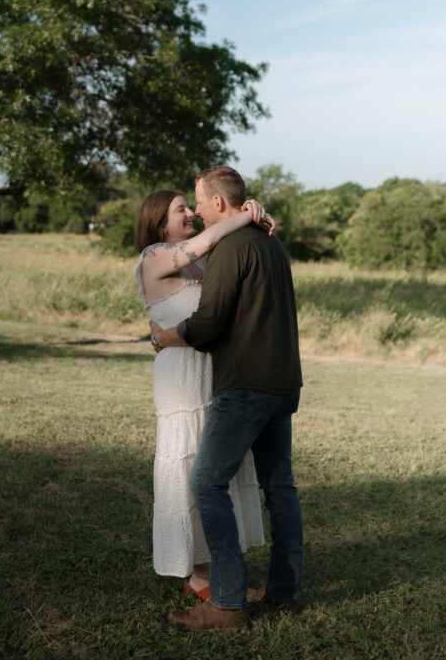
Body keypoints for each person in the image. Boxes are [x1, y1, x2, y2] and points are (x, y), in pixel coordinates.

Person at [149, 165, 303, 632]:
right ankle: (285, 589)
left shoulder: (230, 248)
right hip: (283, 384)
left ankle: (229, 603)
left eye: (198, 201)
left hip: (245, 386)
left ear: (219, 203)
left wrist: (166, 337)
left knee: (206, 484)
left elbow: (208, 324)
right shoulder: (271, 241)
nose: (195, 209)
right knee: (280, 488)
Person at [135, 188, 274, 600]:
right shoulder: (153, 256)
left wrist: (260, 222)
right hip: (181, 378)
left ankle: (219, 570)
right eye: (182, 209)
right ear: (160, 221)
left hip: (213, 373)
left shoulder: (199, 264)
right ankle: (198, 576)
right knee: (189, 467)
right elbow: (213, 237)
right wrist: (247, 214)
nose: (191, 213)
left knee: (215, 470)